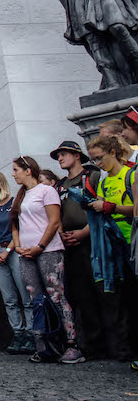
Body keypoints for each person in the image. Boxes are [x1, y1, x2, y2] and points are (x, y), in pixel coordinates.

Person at [10, 155, 84, 364]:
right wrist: (18, 246)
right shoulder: (21, 195)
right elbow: (15, 223)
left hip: (49, 251)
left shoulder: (46, 191)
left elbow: (53, 222)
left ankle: (72, 344)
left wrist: (40, 246)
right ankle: (46, 345)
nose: (13, 174)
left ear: (28, 170)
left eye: (16, 170)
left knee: (56, 295)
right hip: (26, 253)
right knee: (37, 298)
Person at [51, 140, 108, 359]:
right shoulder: (60, 185)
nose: (60, 158)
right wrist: (62, 236)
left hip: (91, 239)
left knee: (100, 292)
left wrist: (84, 232)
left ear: (77, 155)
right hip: (69, 243)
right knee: (79, 294)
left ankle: (106, 343)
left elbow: (100, 206)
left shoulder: (90, 176)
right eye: (58, 156)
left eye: (63, 154)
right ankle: (89, 343)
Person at [84, 135, 136, 360]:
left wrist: (111, 206)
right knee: (124, 299)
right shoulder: (104, 181)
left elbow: (135, 208)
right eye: (94, 160)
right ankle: (128, 348)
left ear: (113, 153)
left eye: (100, 158)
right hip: (114, 246)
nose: (98, 164)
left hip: (132, 239)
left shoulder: (130, 175)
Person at [0, 171, 32, 354]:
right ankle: (18, 333)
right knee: (9, 298)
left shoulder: (14, 204)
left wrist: (8, 250)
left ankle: (32, 334)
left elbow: (16, 230)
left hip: (13, 251)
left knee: (25, 295)